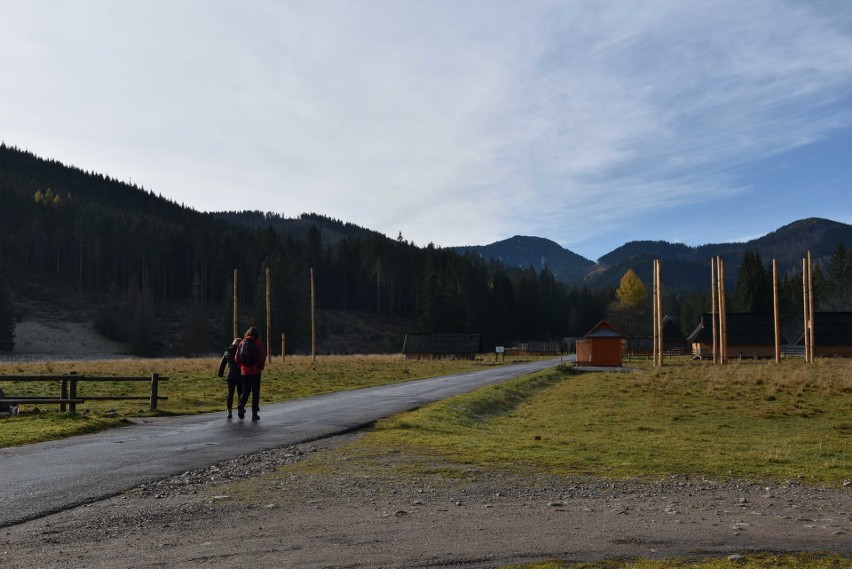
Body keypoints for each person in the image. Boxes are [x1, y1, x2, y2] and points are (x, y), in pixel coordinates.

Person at [235, 326, 267, 421]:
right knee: (255, 392)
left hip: (244, 371)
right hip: (255, 371)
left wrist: (241, 366)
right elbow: (262, 357)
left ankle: (241, 405)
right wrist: (261, 367)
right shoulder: (258, 343)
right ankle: (254, 414)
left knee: (246, 391)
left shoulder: (241, 343)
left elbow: (237, 357)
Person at [217, 337, 244, 419]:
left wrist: (220, 374)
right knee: (241, 393)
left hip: (230, 375)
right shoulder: (242, 351)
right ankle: (240, 408)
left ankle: (229, 411)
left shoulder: (227, 352)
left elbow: (222, 364)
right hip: (240, 375)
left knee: (230, 394)